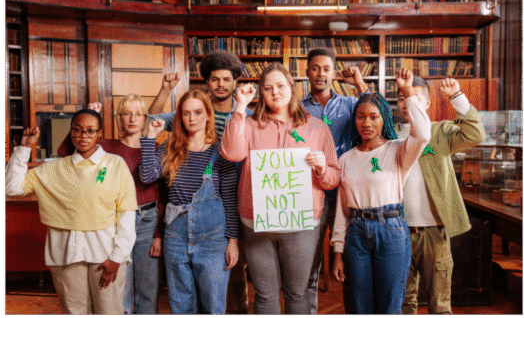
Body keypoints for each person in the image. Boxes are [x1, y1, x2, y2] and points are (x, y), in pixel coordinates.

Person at [220, 62, 340, 314]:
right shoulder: (249, 125)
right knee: (265, 295)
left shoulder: (317, 127)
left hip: (302, 224)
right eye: (268, 88)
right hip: (256, 223)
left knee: (297, 293)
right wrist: (240, 107)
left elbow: (333, 179)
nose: (275, 92)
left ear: (292, 88)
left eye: (280, 86)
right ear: (261, 93)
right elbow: (231, 153)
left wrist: (322, 168)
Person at [149, 49, 252, 314]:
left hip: (232, 201)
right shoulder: (193, 108)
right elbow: (151, 122)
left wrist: (232, 237)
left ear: (235, 82)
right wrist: (165, 90)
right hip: (189, 205)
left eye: (226, 79)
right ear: (207, 82)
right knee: (185, 293)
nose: (221, 84)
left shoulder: (246, 114)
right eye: (215, 79)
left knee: (232, 277)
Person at [5, 109, 138, 314]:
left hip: (105, 253)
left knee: (109, 311)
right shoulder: (54, 169)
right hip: (66, 253)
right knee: (74, 313)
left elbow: (126, 214)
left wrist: (117, 257)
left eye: (90, 131)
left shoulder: (115, 164)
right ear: (71, 132)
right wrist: (24, 148)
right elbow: (12, 188)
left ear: (99, 133)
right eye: (78, 130)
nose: (84, 136)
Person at [330, 67, 431, 314]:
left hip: (391, 231)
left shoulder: (397, 150)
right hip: (356, 233)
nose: (366, 123)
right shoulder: (345, 159)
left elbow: (423, 134)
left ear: (383, 118)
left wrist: (408, 91)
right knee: (360, 306)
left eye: (374, 117)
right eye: (361, 117)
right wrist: (338, 252)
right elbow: (342, 211)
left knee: (390, 307)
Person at [57, 95, 163, 315]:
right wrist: (89, 116)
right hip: (114, 223)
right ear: (118, 118)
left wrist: (158, 234)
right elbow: (64, 152)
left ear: (145, 119)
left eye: (138, 114)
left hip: (147, 222)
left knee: (148, 287)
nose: (132, 119)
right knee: (119, 287)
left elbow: (162, 192)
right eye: (126, 113)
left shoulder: (154, 147)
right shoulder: (105, 146)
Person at [139, 90, 239, 314]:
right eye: (186, 113)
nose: (192, 118)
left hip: (213, 239)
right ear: (180, 117)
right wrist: (149, 136)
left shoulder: (221, 151)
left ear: (208, 115)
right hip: (176, 237)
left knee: (213, 307)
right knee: (181, 306)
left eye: (198, 112)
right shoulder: (170, 147)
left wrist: (233, 241)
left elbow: (230, 200)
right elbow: (147, 175)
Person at [397, 76, 486, 315]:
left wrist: (457, 97)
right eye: (402, 98)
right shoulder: (388, 135)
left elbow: (475, 135)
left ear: (427, 104)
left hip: (435, 231)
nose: (407, 102)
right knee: (402, 304)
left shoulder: (440, 131)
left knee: (440, 305)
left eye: (414, 97)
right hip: (397, 231)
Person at [299, 47, 369, 314]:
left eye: (326, 69)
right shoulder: (298, 109)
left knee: (352, 263)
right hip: (311, 192)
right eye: (315, 68)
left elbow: (378, 111)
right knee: (309, 264)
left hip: (347, 192)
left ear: (333, 73)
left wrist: (359, 84)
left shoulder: (350, 104)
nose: (321, 74)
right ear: (307, 72)